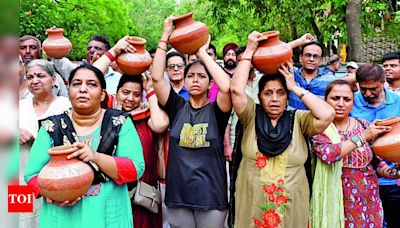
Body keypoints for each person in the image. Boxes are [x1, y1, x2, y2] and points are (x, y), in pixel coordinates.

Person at [230, 31, 334, 228]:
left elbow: (327, 115)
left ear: (287, 97)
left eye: (280, 93)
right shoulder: (250, 116)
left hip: (292, 209)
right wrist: (250, 50)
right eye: (268, 93)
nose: (275, 99)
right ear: (259, 97)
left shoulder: (300, 119)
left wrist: (294, 87)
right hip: (252, 208)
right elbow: (236, 89)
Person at [24, 63, 145, 228]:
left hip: (108, 214)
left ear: (103, 95)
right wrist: (53, 195)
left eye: (91, 84)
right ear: (69, 91)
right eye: (76, 84)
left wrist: (95, 157)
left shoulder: (119, 122)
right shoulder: (52, 126)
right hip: (61, 216)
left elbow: (135, 168)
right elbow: (31, 175)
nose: (83, 89)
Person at [152, 16, 232, 228]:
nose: (195, 80)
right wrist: (165, 36)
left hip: (211, 195)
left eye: (201, 76)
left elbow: (227, 87)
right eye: (191, 76)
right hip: (179, 193)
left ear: (209, 82)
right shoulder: (177, 106)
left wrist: (202, 54)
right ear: (185, 81)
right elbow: (157, 78)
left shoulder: (218, 110)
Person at [93, 36, 169, 227]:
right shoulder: (107, 110)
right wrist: (115, 51)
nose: (130, 99)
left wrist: (150, 91)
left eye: (136, 94)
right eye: (125, 92)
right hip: (111, 187)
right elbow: (93, 74)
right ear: (116, 92)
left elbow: (160, 125)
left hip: (142, 189)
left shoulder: (146, 112)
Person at [311, 80, 390, 227]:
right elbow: (329, 155)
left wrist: (391, 172)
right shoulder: (319, 128)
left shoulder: (363, 125)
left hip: (369, 201)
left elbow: (378, 163)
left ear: (353, 102)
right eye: (335, 98)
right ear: (325, 100)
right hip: (337, 202)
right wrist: (363, 137)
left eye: (347, 99)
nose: (341, 104)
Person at [19, 59, 71, 228]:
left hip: (55, 178)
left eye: (41, 76)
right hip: (20, 177)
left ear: (53, 79)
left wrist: (41, 140)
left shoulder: (65, 106)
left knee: (52, 219)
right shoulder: (18, 106)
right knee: (21, 220)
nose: (35, 81)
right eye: (30, 77)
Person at [350, 63, 400, 228]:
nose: (367, 93)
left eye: (373, 89)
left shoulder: (398, 102)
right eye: (363, 88)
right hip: (361, 178)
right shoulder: (350, 101)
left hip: (393, 179)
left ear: (383, 81)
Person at [52, 35, 122, 94]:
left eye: (97, 48)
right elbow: (58, 59)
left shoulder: (118, 78)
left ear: (106, 53)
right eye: (89, 48)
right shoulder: (75, 71)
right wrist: (54, 37)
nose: (92, 51)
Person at [287, 40, 336, 110]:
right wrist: (299, 41)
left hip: (318, 119)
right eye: (308, 55)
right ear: (300, 58)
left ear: (321, 60)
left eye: (315, 56)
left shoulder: (330, 79)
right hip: (293, 120)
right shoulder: (291, 73)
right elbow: (275, 53)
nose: (311, 59)